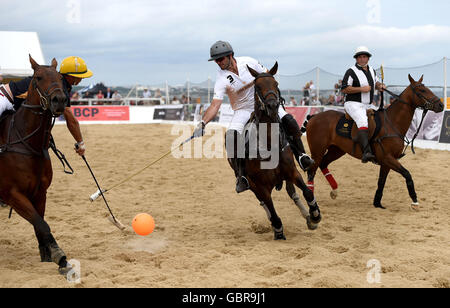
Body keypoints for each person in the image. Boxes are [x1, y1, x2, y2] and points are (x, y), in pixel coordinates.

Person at [193, 41, 314, 194]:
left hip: (264, 103)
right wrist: (203, 123)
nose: (218, 63)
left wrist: (272, 99)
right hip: (242, 110)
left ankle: (302, 156)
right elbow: (215, 105)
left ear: (230, 55)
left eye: (220, 59)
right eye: (216, 60)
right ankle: (241, 176)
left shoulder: (248, 62)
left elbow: (267, 76)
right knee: (231, 137)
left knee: (289, 120)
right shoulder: (221, 78)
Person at [0, 56, 93, 156]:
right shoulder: (59, 84)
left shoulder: (58, 83)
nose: (82, 78)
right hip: (4, 97)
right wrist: (80, 143)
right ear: (70, 76)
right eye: (80, 76)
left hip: (15, 105)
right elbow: (71, 120)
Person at [341, 46, 386, 163]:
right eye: (360, 57)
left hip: (368, 104)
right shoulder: (351, 71)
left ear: (368, 58)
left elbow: (375, 82)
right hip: (353, 104)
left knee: (380, 119)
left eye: (364, 56)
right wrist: (361, 89)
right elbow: (345, 89)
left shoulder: (371, 70)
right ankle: (366, 152)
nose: (362, 59)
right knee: (363, 121)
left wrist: (380, 86)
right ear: (356, 59)